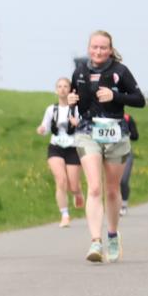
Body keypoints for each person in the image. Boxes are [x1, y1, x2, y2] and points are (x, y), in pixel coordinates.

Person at [67, 30, 145, 263]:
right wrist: (72, 101)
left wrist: (115, 96)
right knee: (94, 188)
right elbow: (75, 100)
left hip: (115, 133)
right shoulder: (80, 72)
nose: (98, 51)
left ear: (110, 50)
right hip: (87, 132)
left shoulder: (120, 72)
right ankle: (95, 241)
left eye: (103, 48)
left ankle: (111, 234)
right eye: (94, 47)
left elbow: (139, 99)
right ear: (89, 48)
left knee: (112, 189)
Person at [35, 77, 83, 228]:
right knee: (61, 180)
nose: (62, 89)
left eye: (65, 86)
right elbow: (45, 127)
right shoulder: (51, 109)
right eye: (59, 86)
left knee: (73, 186)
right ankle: (65, 215)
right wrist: (41, 130)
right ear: (56, 90)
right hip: (55, 147)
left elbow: (85, 127)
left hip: (73, 148)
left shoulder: (77, 109)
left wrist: (78, 123)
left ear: (70, 90)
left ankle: (77, 193)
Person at [119, 113, 139, 215]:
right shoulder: (104, 117)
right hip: (109, 152)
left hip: (126, 152)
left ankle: (124, 203)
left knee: (123, 180)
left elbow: (136, 136)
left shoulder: (127, 118)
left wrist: (126, 134)